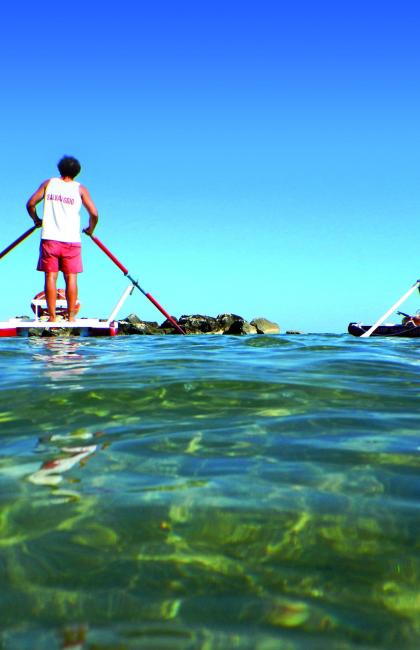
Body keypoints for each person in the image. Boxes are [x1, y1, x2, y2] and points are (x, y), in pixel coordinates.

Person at [26, 155, 99, 321]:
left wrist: (36, 220)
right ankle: (71, 317)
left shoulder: (49, 183)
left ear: (60, 168)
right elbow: (94, 214)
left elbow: (30, 204)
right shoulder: (80, 189)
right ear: (77, 172)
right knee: (71, 277)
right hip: (72, 240)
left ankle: (52, 317)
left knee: (50, 277)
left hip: (50, 238)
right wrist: (90, 229)